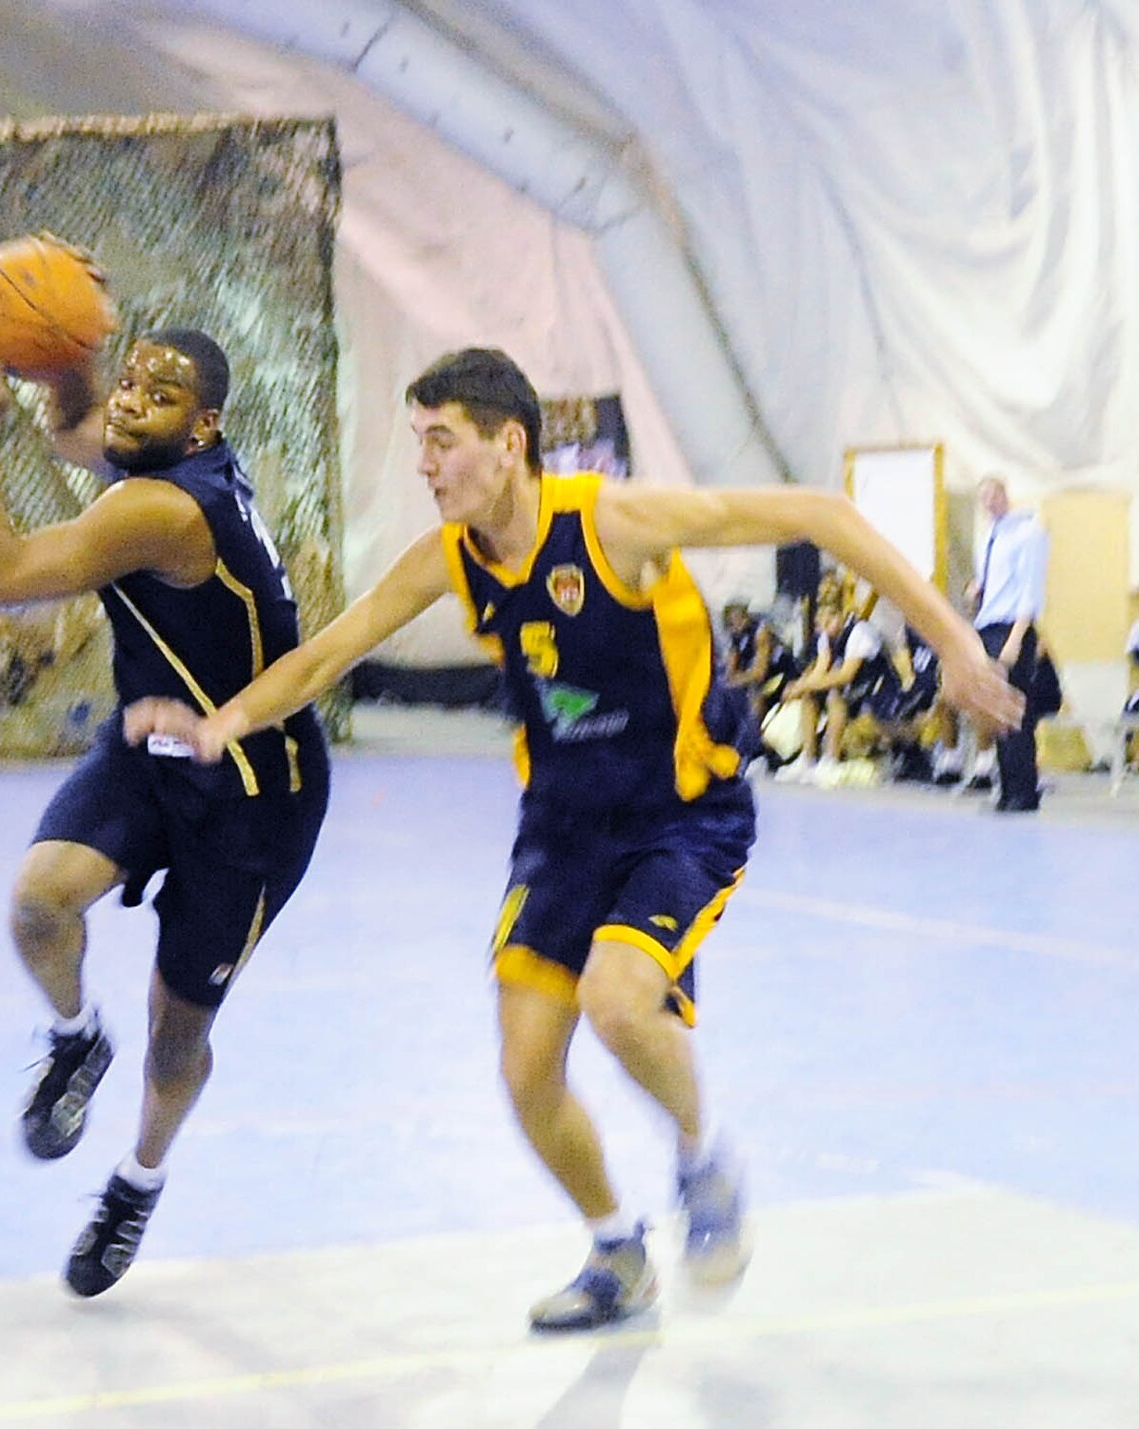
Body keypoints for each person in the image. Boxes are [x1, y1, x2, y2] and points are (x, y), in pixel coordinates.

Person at [126, 347, 1023, 1332]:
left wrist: (950, 639)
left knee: (617, 998)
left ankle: (701, 1157)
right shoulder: (449, 560)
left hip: (679, 816)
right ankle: (614, 1248)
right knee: (523, 1068)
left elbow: (822, 514)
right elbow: (326, 655)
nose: (422, 466)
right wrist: (220, 724)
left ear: (506, 445)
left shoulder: (611, 521)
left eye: (440, 442)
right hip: (558, 828)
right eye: (416, 443)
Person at [0, 321, 330, 1297]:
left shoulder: (166, 510)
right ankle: (77, 1039)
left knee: (176, 1031)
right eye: (129, 381)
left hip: (252, 791)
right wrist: (51, 340)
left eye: (155, 395)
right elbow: (77, 425)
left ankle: (136, 1180)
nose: (127, 400)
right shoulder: (163, 461)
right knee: (38, 903)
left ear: (201, 428)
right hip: (157, 742)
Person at [965, 475, 1049, 812]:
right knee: (997, 708)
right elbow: (994, 582)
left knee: (1015, 708)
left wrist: (1016, 637)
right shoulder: (990, 536)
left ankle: (1025, 791)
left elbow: (1030, 590)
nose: (989, 503)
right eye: (983, 498)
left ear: (1005, 495)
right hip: (988, 624)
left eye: (994, 495)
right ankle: (1006, 786)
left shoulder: (1028, 533)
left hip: (1011, 628)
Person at [773, 584, 893, 784]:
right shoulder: (825, 637)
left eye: (829, 621)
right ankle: (807, 758)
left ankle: (831, 759)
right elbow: (821, 669)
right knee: (810, 695)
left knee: (835, 696)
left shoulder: (859, 631)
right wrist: (801, 685)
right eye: (821, 624)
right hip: (851, 687)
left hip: (875, 688)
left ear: (841, 615)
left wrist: (807, 684)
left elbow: (846, 674)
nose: (824, 628)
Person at [719, 600, 797, 729]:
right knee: (724, 692)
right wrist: (728, 682)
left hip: (781, 674)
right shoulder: (737, 636)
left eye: (739, 618)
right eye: (731, 624)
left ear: (745, 616)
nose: (736, 624)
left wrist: (735, 681)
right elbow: (730, 668)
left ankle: (754, 736)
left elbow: (759, 673)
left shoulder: (761, 632)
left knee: (756, 695)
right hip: (759, 677)